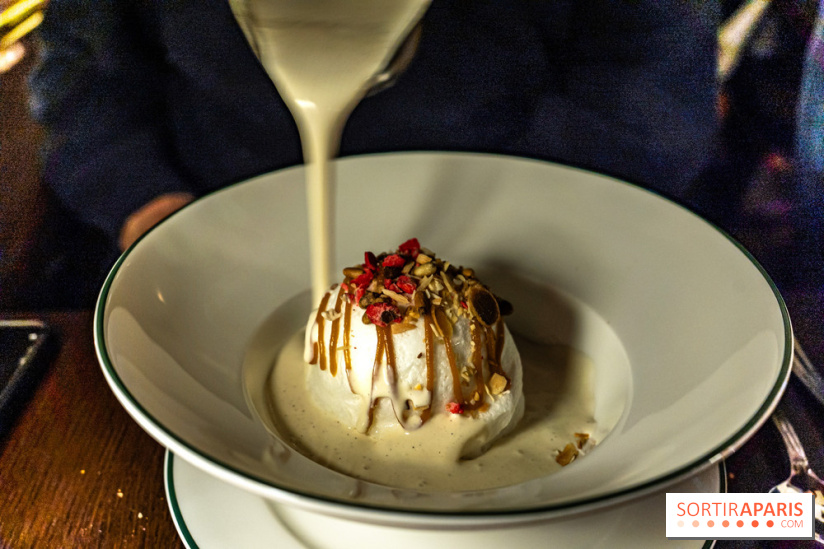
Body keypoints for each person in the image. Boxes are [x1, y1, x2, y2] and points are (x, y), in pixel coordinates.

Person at [26, 0, 722, 308]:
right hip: (229, 232)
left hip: (528, 242)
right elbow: (82, 75)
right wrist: (146, 201)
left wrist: (524, 239)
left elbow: (649, 87)